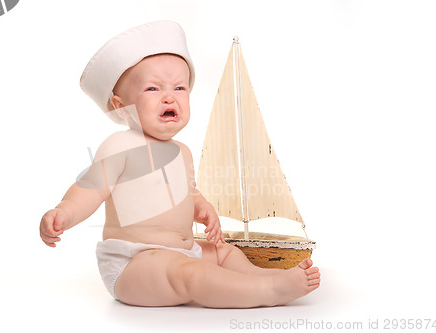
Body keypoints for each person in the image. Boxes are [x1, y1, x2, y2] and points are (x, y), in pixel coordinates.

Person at [39, 21, 320, 308]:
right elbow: (89, 189)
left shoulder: (181, 151)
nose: (169, 96)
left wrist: (202, 208)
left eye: (179, 87)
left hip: (186, 251)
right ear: (121, 106)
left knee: (224, 253)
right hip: (135, 262)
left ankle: (258, 276)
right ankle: (266, 291)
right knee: (192, 274)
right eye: (153, 88)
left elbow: (187, 192)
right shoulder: (120, 146)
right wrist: (64, 212)